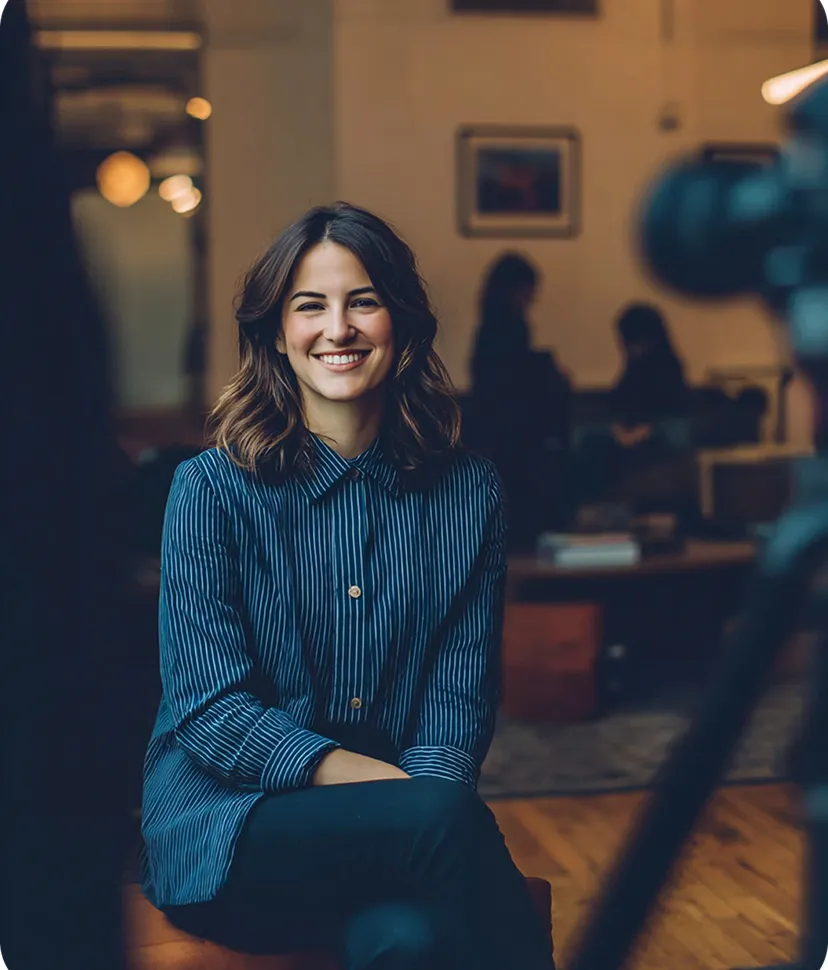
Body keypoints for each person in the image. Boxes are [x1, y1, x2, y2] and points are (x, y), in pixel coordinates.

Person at [140, 202, 555, 969]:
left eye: (363, 300)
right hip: (232, 828)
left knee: (409, 942)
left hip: (401, 834)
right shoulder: (209, 490)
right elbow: (210, 712)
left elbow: (457, 700)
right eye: (311, 306)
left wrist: (413, 800)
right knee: (441, 829)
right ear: (275, 333)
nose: (339, 328)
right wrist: (403, 797)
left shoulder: (472, 494)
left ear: (402, 322)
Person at [468, 252, 571, 548]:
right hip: (514, 426)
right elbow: (516, 374)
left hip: (494, 423)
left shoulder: (488, 325)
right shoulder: (511, 325)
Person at [565, 301, 690, 517]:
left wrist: (642, 430)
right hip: (629, 431)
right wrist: (619, 428)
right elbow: (620, 402)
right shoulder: (633, 367)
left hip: (657, 432)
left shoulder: (668, 368)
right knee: (583, 438)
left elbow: (669, 409)